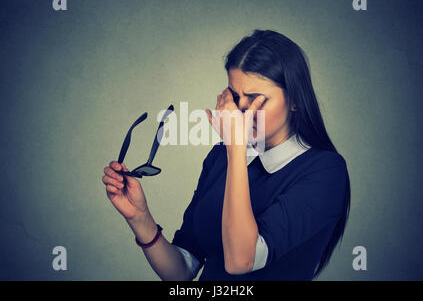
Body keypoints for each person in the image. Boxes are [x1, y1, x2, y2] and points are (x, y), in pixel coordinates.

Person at [101, 29, 351, 281]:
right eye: (235, 97)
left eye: (256, 99)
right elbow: (182, 271)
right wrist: (140, 217)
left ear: (294, 99)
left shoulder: (325, 171)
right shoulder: (221, 156)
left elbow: (241, 260)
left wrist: (236, 147)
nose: (241, 109)